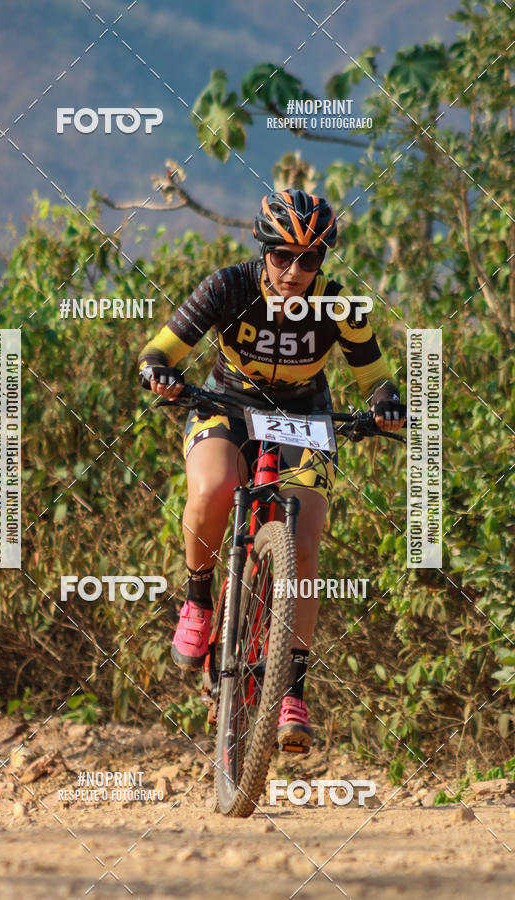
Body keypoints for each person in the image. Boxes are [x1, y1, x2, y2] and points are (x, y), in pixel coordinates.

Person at [138, 189, 406, 752]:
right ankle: (199, 598)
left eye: (308, 260)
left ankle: (292, 688)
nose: (294, 271)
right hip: (227, 406)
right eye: (282, 256)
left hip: (304, 417)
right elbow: (158, 350)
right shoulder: (227, 287)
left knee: (304, 545)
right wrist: (159, 373)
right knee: (213, 490)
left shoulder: (340, 306)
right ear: (263, 251)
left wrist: (385, 404)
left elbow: (376, 378)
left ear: (322, 263)